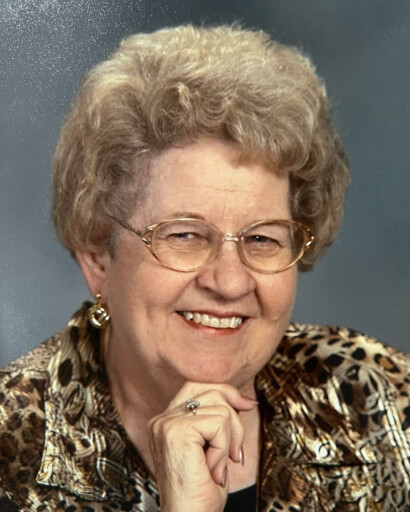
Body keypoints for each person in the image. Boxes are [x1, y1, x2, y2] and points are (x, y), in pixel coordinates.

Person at [0, 24, 409, 512]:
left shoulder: (380, 399)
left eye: (262, 238)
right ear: (98, 257)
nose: (230, 282)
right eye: (185, 236)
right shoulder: (12, 448)